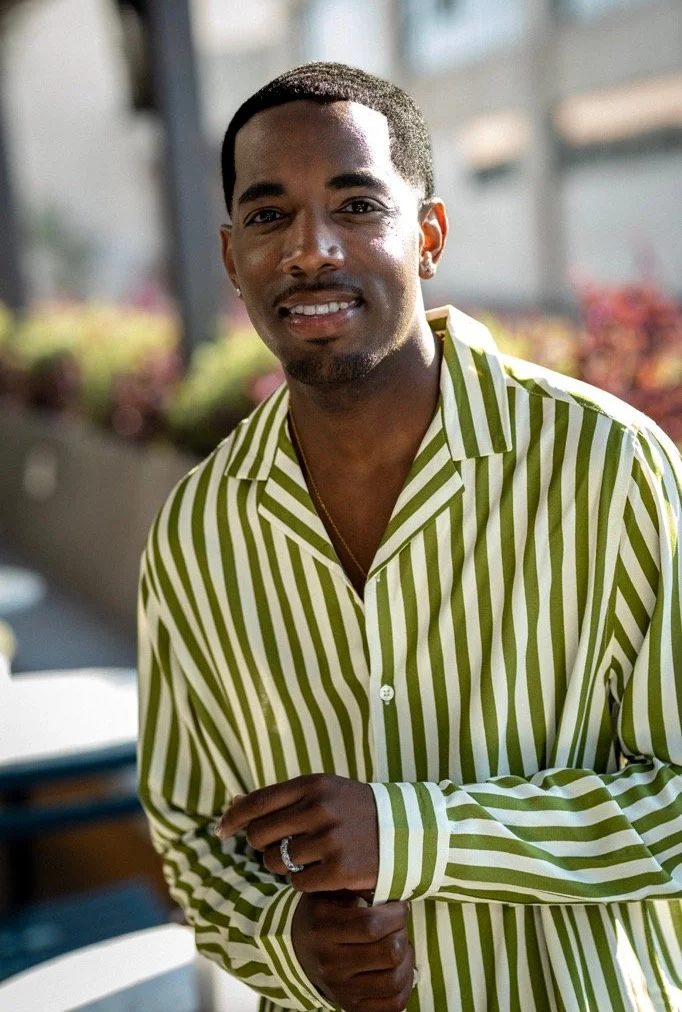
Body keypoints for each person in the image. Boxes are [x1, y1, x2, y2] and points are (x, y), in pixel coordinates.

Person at [137, 62, 682, 1012]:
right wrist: (288, 945)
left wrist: (412, 834)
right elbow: (192, 836)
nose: (310, 250)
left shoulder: (610, 467)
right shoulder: (199, 532)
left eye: (356, 205)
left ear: (426, 234)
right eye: (269, 216)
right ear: (232, 260)